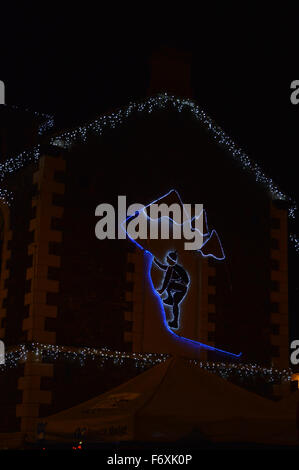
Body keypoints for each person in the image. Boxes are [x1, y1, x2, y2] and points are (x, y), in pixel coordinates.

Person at [153, 251, 189, 329]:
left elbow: (167, 279)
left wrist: (162, 290)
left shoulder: (173, 268)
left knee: (169, 284)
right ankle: (175, 322)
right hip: (182, 289)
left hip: (182, 287)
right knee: (175, 304)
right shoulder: (172, 267)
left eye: (167, 258)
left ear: (170, 259)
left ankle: (169, 299)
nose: (166, 259)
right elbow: (162, 267)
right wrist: (154, 260)